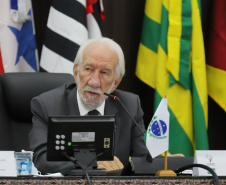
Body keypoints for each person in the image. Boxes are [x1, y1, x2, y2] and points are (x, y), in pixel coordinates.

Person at [29, 37, 149, 174]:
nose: (94, 82)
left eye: (104, 73)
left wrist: (167, 163)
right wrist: (94, 163)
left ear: (116, 81)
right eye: (88, 69)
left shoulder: (130, 106)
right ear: (76, 72)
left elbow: (143, 158)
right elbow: (41, 160)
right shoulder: (47, 105)